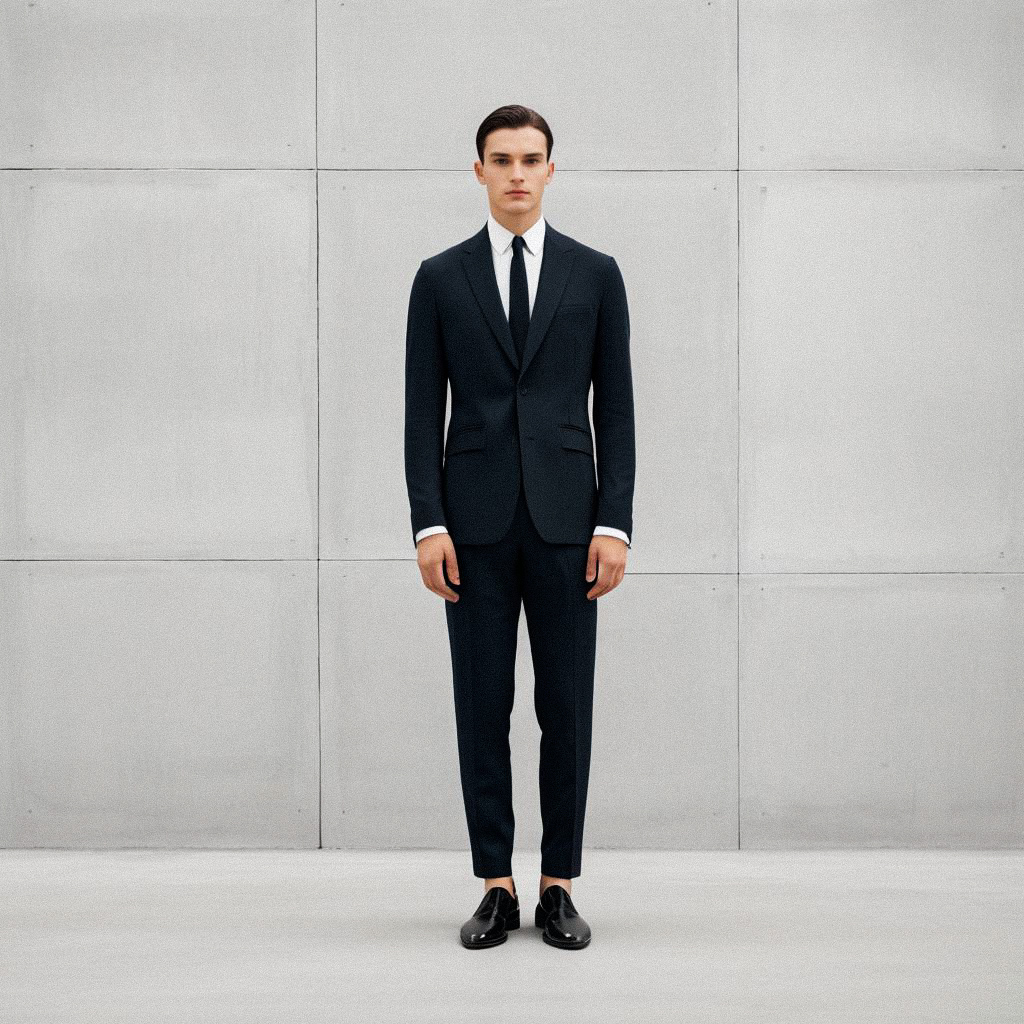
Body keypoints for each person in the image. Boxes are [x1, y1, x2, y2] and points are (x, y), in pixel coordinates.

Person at [404, 104, 635, 950]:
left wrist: (616, 521)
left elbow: (618, 409)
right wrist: (428, 526)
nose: (516, 174)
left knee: (566, 708)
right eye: (500, 159)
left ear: (550, 169)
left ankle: (559, 885)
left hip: (572, 526)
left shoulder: (595, 273)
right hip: (473, 527)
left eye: (531, 159)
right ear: (478, 171)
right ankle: (496, 884)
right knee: (482, 707)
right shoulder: (439, 277)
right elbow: (420, 411)